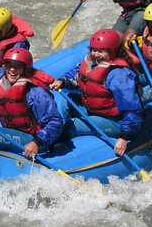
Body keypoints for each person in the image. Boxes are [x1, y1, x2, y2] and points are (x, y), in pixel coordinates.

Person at [50, 28, 144, 156]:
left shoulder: (118, 75)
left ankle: (59, 140)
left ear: (112, 51)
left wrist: (124, 137)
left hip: (116, 120)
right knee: (67, 102)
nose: (96, 54)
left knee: (72, 125)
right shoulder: (92, 62)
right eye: (94, 50)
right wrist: (62, 81)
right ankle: (71, 137)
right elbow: (76, 74)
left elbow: (132, 109)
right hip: (95, 110)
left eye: (101, 51)